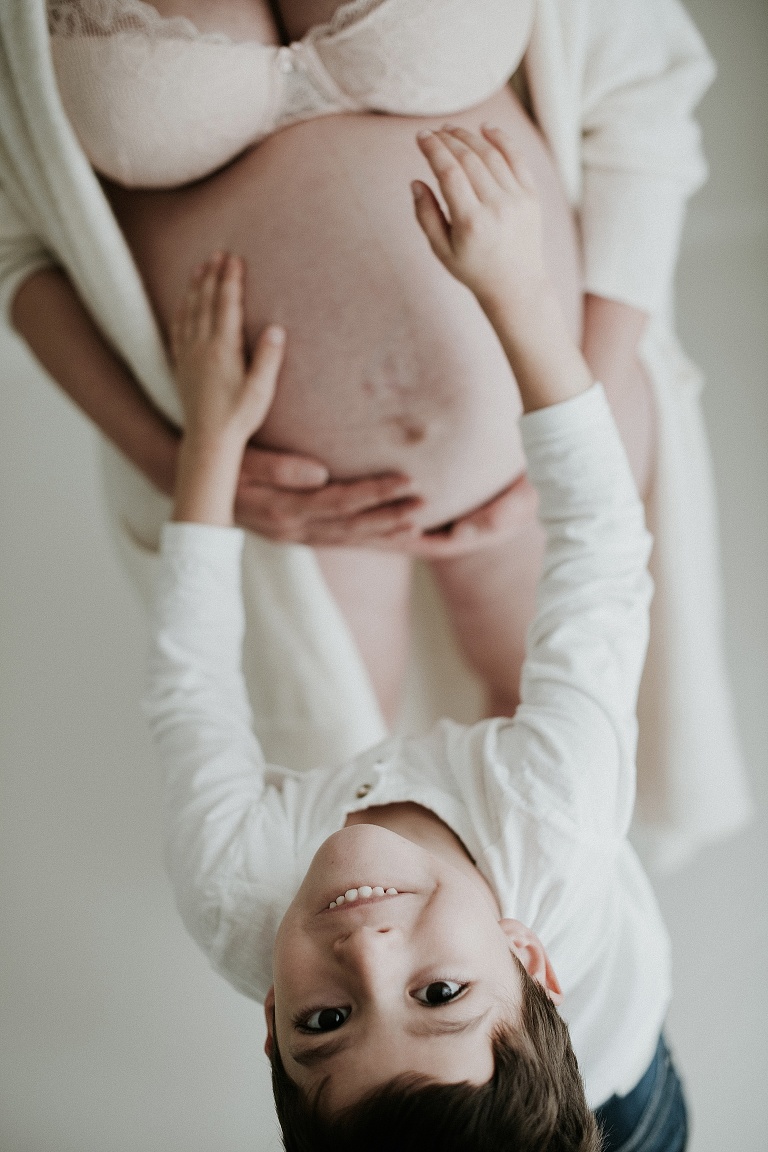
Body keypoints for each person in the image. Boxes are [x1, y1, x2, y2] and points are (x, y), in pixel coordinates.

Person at [1, 0, 750, 868]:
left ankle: (561, 987)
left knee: (560, 793)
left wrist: (585, 397)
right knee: (340, 823)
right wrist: (180, 465)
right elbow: (14, 248)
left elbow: (645, 92)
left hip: (544, 436)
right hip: (285, 504)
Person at [145, 125, 687, 1150]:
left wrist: (209, 444)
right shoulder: (554, 814)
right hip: (627, 1085)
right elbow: (602, 554)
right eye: (439, 990)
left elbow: (192, 684)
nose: (368, 949)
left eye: (323, 1022)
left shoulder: (234, 887)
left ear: (268, 1023)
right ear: (528, 955)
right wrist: (517, 292)